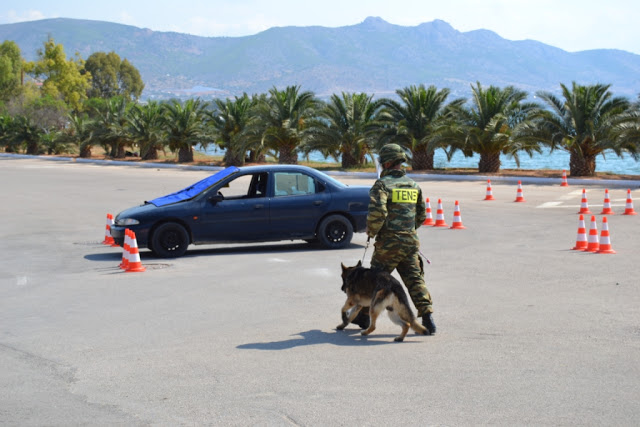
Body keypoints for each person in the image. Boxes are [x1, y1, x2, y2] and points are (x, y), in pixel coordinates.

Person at [354, 143, 436, 334]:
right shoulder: (414, 186)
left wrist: (371, 231)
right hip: (409, 243)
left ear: (388, 163)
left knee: (374, 281)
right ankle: (428, 318)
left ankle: (365, 317)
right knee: (415, 280)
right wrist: (407, 230)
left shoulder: (382, 185)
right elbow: (422, 215)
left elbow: (378, 213)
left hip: (388, 246)